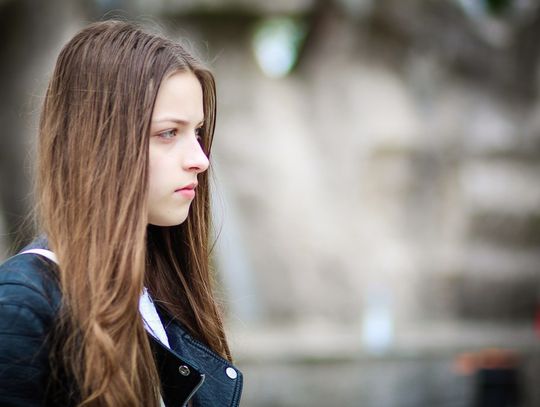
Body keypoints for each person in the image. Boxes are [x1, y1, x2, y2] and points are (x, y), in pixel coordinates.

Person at [0, 19, 243, 407]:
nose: (200, 159)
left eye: (197, 132)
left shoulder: (164, 294)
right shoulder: (20, 306)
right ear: (99, 141)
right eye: (169, 133)